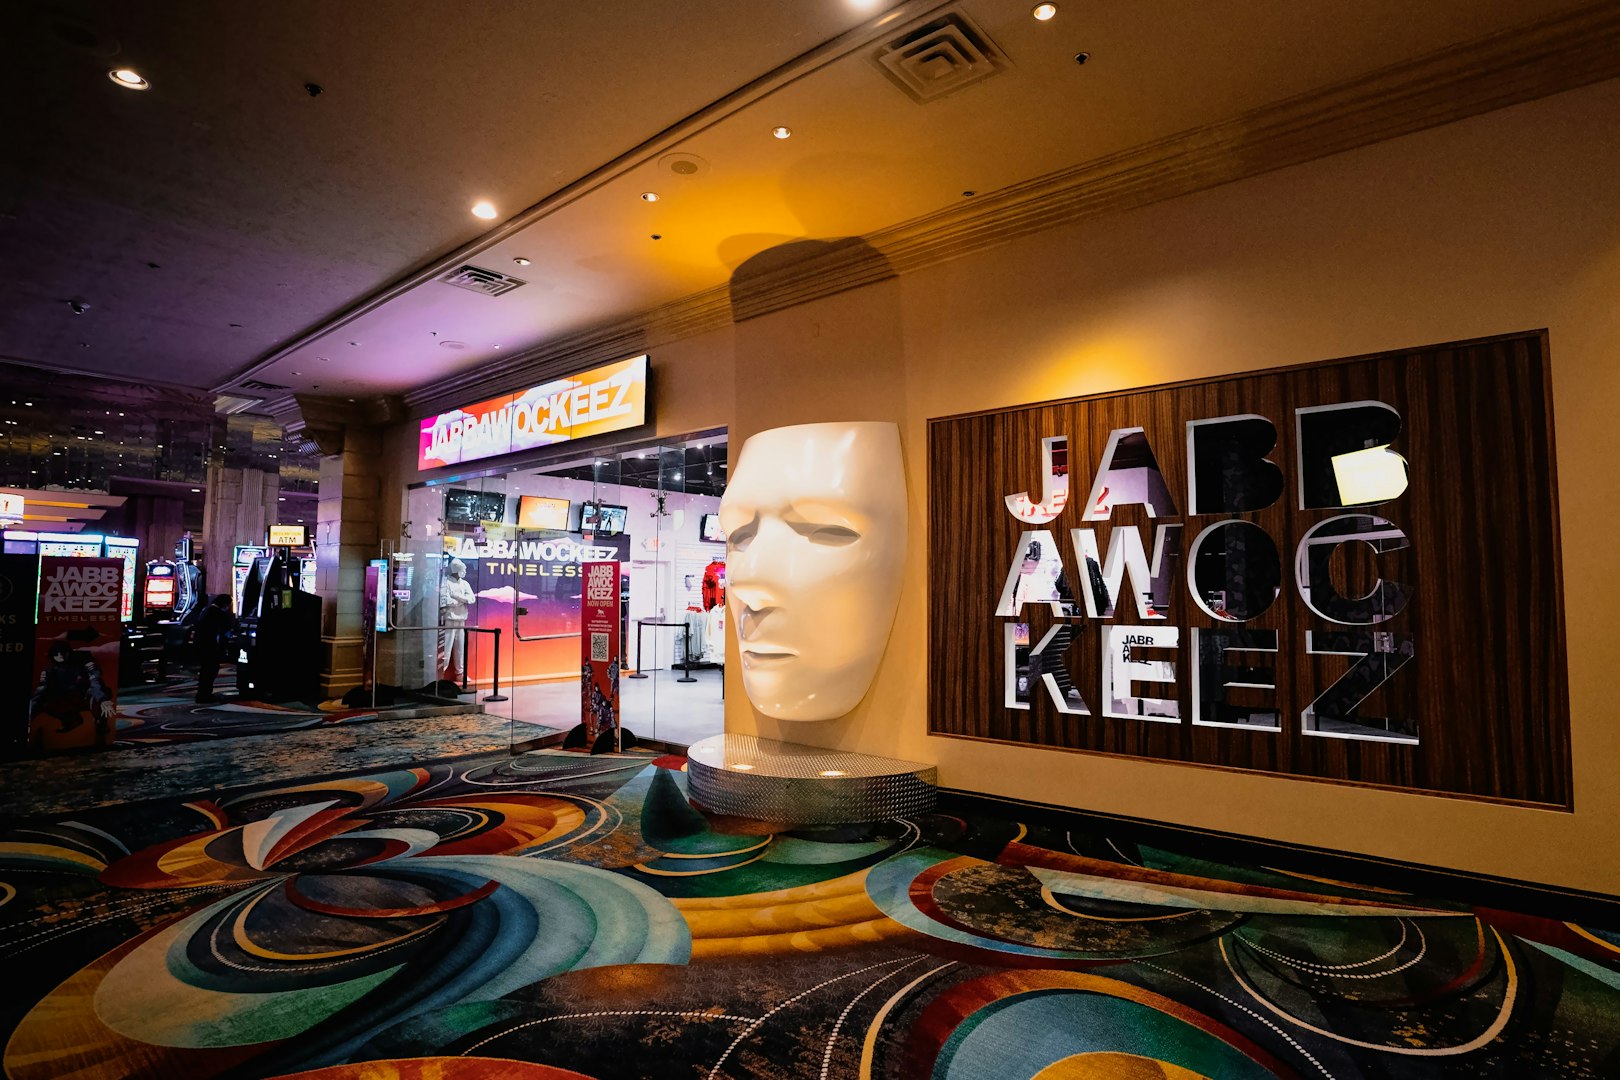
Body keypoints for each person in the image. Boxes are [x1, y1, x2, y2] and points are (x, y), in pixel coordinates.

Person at [194, 593, 237, 704]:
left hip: (201, 645)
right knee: (210, 670)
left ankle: (203, 693)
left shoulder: (206, 610)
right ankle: (205, 695)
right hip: (210, 646)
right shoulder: (217, 613)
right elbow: (225, 631)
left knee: (206, 670)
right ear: (224, 604)